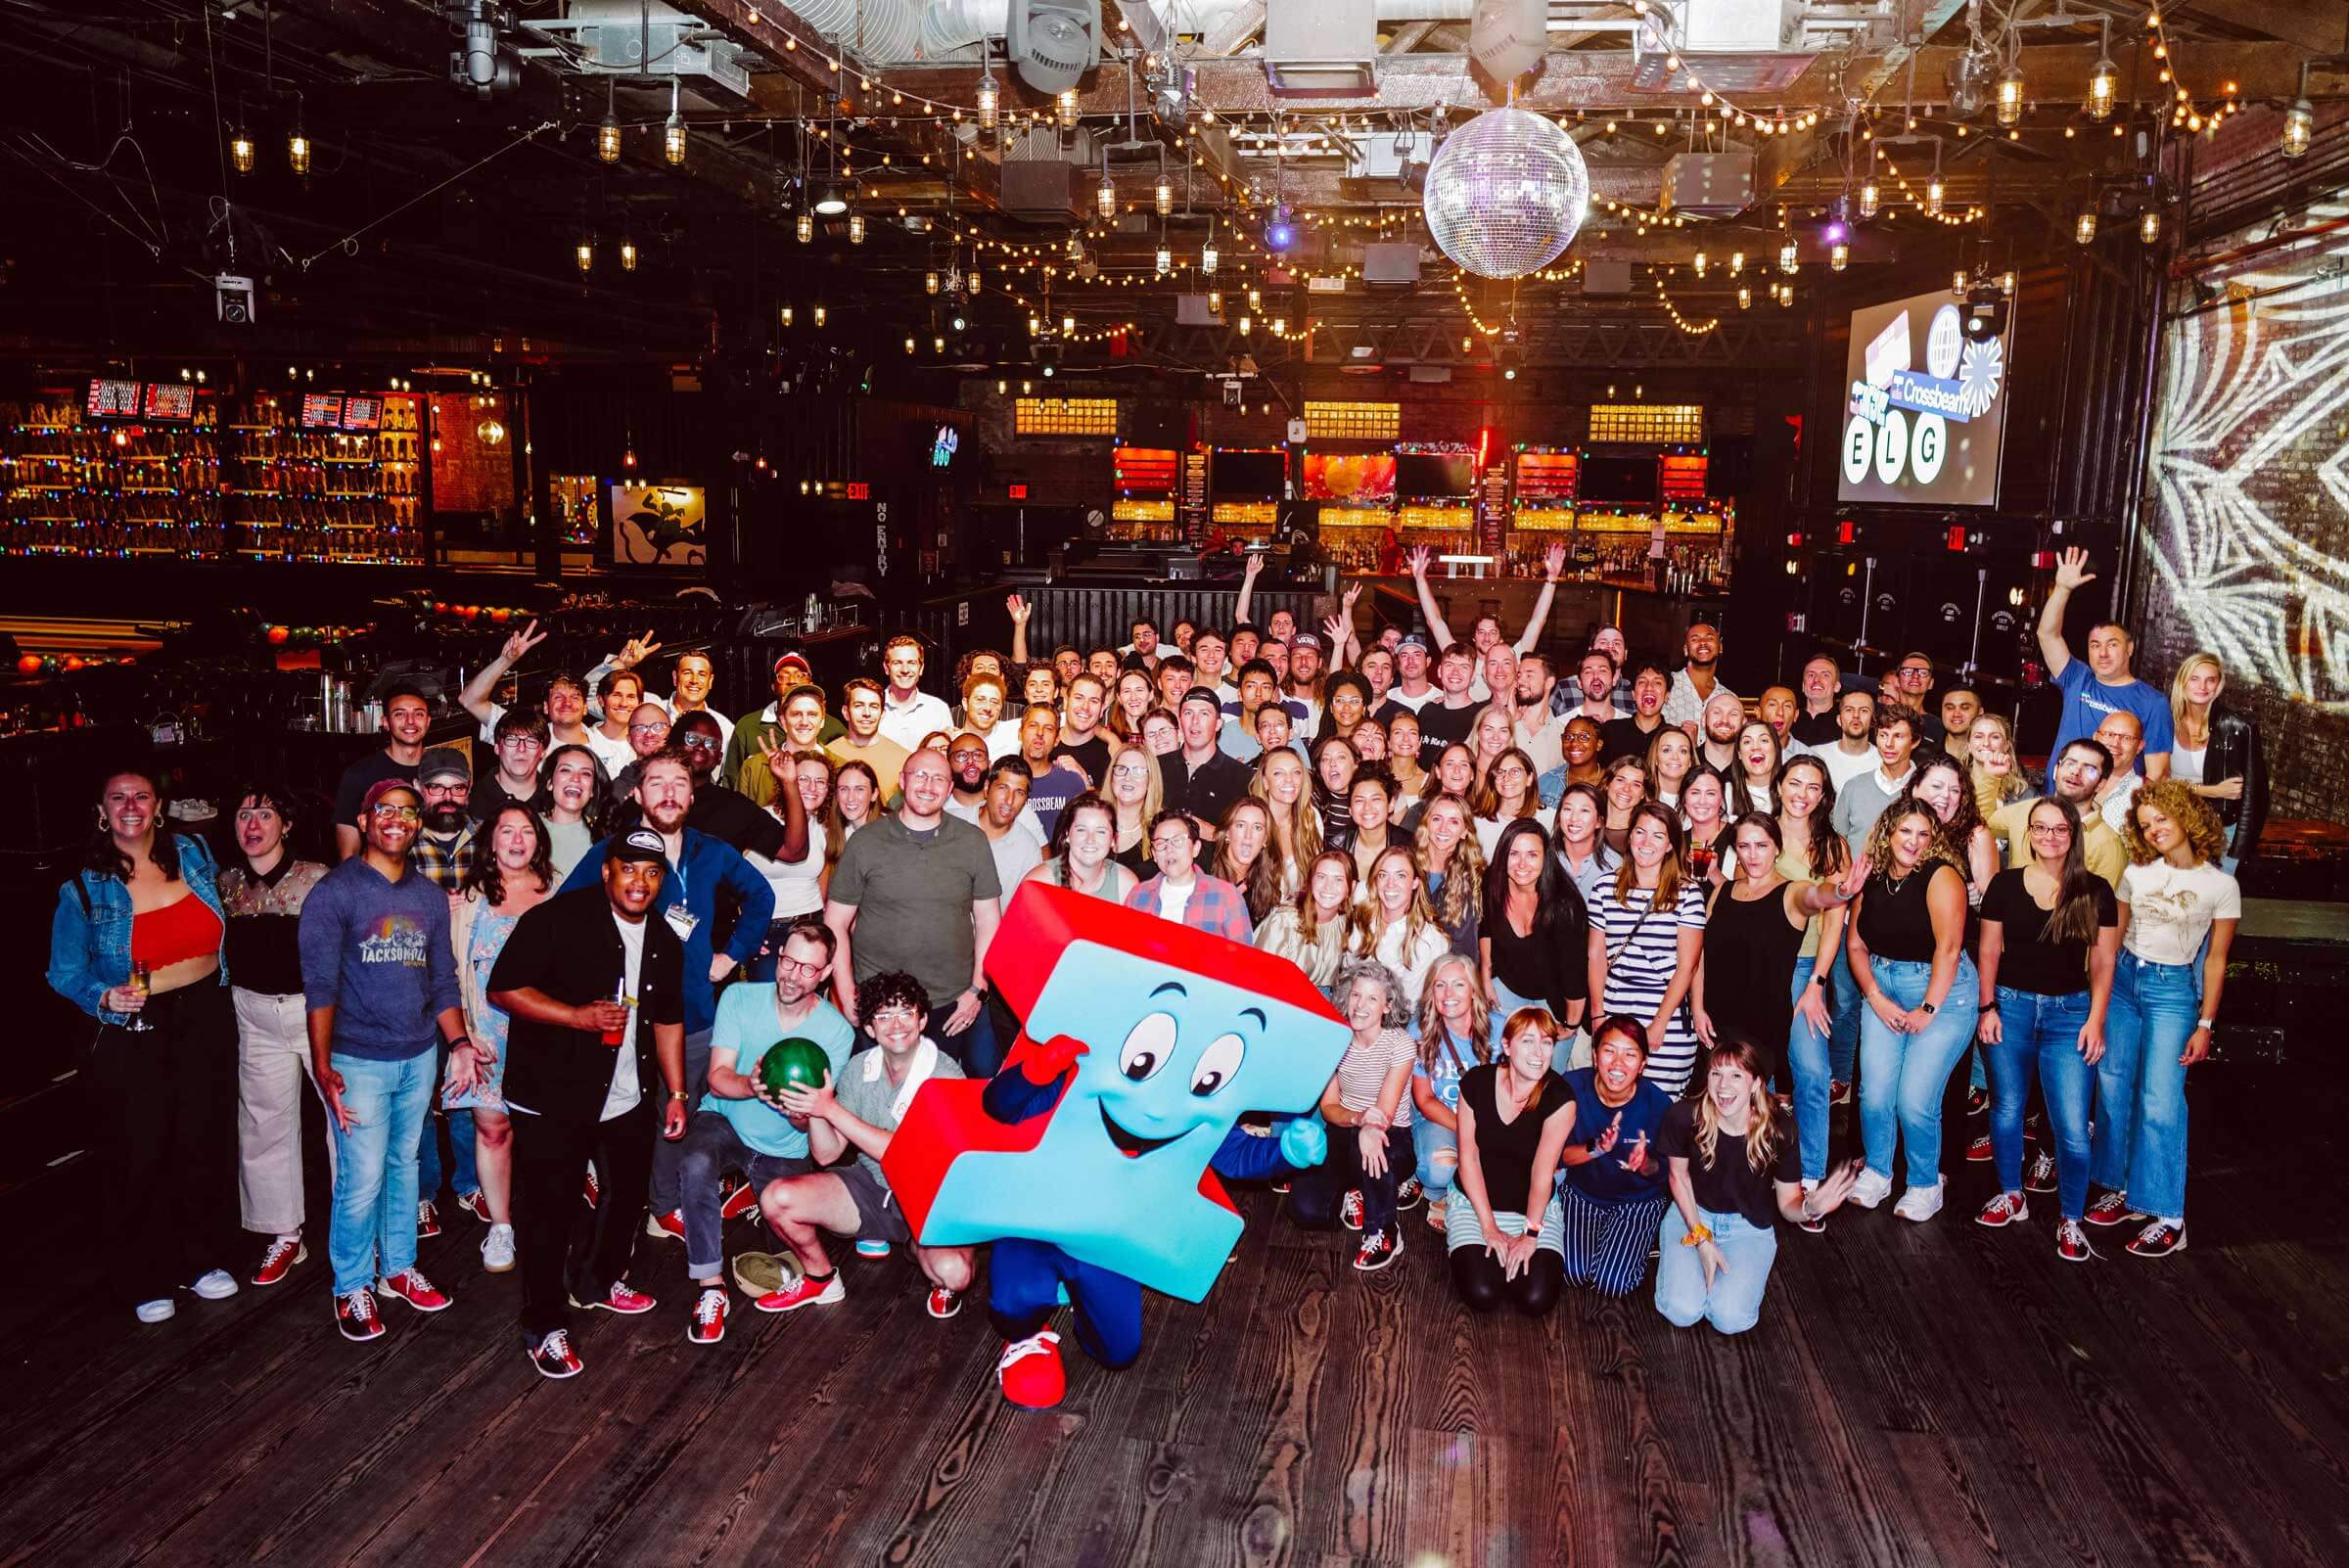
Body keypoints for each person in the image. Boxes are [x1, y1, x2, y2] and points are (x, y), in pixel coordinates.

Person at [485, 830, 689, 1377]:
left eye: (652, 873)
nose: (640, 882)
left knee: (626, 1198)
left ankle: (595, 1283)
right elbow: (503, 989)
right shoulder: (557, 919)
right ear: (607, 871)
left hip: (627, 1096)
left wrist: (675, 1092)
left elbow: (669, 1018)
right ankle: (543, 1323)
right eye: (629, 869)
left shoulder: (664, 939)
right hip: (553, 1094)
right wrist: (576, 1017)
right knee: (549, 1211)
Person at [49, 766, 238, 1323]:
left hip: (206, 1011)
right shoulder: (83, 886)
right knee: (140, 1147)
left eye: (141, 797)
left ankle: (201, 1259)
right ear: (101, 812)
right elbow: (63, 972)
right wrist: (104, 997)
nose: (130, 806)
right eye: (118, 798)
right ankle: (145, 1274)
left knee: (202, 1137)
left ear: (158, 806)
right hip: (135, 1024)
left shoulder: (195, 854)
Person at [558, 749, 773, 1230]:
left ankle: (662, 1206)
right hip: (625, 1017)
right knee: (615, 1112)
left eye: (680, 783)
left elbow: (762, 895)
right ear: (637, 794)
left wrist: (731, 955)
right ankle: (607, 1197)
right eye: (657, 782)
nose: (669, 793)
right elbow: (564, 915)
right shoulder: (612, 853)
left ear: (693, 796)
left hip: (692, 1011)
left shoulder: (712, 851)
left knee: (678, 1112)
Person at [299, 776, 465, 1341]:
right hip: (358, 1061)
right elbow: (319, 988)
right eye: (385, 810)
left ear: (418, 825)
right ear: (366, 821)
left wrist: (459, 1044)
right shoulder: (335, 893)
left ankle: (397, 1268)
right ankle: (351, 1285)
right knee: (362, 1177)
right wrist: (323, 1065)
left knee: (404, 1166)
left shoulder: (428, 897)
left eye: (408, 811)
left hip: (418, 1055)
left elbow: (443, 980)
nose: (397, 819)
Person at [756, 967, 978, 1321]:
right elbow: (826, 1153)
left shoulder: (946, 1077)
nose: (897, 1024)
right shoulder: (860, 1068)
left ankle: (919, 1245)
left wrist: (829, 1108)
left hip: (930, 1198)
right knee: (777, 1198)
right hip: (873, 1186)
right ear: (871, 1029)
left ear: (922, 1020)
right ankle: (821, 1279)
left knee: (955, 1274)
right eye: (884, 1016)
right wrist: (813, 1109)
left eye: (906, 1012)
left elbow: (906, 1153)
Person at [672, 919, 858, 1340]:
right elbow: (717, 1078)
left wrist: (795, 1111)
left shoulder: (837, 1032)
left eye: (808, 968)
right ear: (779, 956)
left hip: (785, 1143)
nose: (792, 975)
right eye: (788, 961)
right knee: (696, 1161)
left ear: (826, 973)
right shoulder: (738, 997)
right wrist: (752, 1087)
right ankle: (710, 1287)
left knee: (789, 1256)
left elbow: (812, 1119)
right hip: (726, 1120)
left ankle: (754, 1197)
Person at [2085, 783, 2240, 1259]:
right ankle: (2124, 1189)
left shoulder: (2221, 885)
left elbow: (2216, 960)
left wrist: (2205, 1024)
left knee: (2160, 1099)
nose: (2154, 830)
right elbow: (2111, 940)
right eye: (2145, 824)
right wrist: (2098, 1002)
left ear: (2187, 816)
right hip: (2125, 982)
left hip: (2172, 991)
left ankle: (2169, 1214)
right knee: (2113, 1085)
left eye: (2162, 819)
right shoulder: (2136, 872)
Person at [1973, 797, 2118, 1259]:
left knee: (2072, 1125)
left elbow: (2103, 961)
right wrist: (1987, 1007)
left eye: (2059, 829)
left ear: (2073, 835)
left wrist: (2096, 1020)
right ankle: (2011, 1194)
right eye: (2040, 828)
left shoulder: (2095, 891)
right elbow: (1988, 951)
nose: (2049, 837)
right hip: (2010, 1007)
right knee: (2007, 1109)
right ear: (2029, 833)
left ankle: (2071, 1218)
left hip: (2070, 1014)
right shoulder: (2004, 885)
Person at [1655, 1038, 1862, 1335]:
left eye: (1736, 1075)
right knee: (1682, 1311)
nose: (1723, 1085)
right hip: (1692, 1215)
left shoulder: (1780, 1128)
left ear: (1755, 1084)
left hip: (1748, 1227)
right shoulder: (1684, 1115)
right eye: (1716, 1073)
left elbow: (1788, 1205)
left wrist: (1810, 1208)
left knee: (1730, 1319)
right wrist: (1701, 1239)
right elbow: (1678, 1177)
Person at [216, 784, 333, 1287]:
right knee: (264, 1126)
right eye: (244, 815)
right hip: (253, 1012)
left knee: (345, 1119)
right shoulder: (224, 883)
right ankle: (284, 1234)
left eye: (265, 815)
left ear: (286, 824)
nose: (253, 825)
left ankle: (361, 1227)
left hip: (315, 1011)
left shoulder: (317, 879)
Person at [824, 748, 1004, 1073]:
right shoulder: (865, 842)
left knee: (940, 1094)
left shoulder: (972, 842)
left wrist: (978, 990)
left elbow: (989, 920)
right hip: (880, 1005)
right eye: (920, 775)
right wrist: (846, 992)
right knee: (878, 1093)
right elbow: (835, 922)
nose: (928, 786)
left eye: (938, 779)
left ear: (950, 788)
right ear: (902, 781)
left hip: (950, 1003)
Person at [1843, 801, 1980, 1221]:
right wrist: (1875, 997)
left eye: (1923, 834)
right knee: (1874, 1094)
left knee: (1915, 1100)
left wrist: (1928, 1008)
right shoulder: (1873, 877)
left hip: (1942, 992)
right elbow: (1856, 945)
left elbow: (1949, 950)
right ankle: (1878, 1172)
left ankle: (1924, 1183)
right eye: (1905, 831)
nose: (1913, 842)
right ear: (1888, 833)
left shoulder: (1942, 876)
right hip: (1882, 985)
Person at [442, 802, 554, 1275]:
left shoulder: (559, 893)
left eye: (526, 831)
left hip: (545, 1034)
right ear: (490, 842)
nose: (516, 840)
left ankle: (547, 1224)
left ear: (538, 841)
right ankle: (502, 1226)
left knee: (545, 1135)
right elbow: (449, 973)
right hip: (486, 1032)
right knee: (492, 1129)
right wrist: (463, 1036)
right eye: (507, 831)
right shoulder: (467, 901)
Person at [1693, 814, 1855, 1103]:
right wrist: (1697, 1007)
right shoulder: (1721, 892)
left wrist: (1840, 891)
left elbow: (1816, 896)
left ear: (1777, 849)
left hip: (1763, 1028)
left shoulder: (1792, 892)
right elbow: (1699, 954)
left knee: (1760, 1110)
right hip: (1717, 1023)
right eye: (1744, 846)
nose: (1752, 855)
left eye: (1762, 846)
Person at [1290, 957, 1420, 1271]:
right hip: (1345, 1127)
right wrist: (1358, 1119)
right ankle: (1359, 1189)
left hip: (1391, 1135)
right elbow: (1329, 1108)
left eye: (1372, 998)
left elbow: (1384, 1113)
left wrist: (1369, 1127)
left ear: (1387, 1006)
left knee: (1374, 1151)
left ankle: (1384, 1230)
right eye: (1356, 995)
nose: (1360, 1005)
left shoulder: (1401, 1045)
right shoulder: (1334, 1041)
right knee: (1307, 1211)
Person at [1445, 1008, 1574, 1316]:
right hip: (1476, 1204)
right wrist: (1488, 1226)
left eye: (1546, 1043)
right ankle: (1470, 1241)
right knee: (1482, 1293)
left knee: (1536, 1298)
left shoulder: (1560, 1098)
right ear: (1506, 1045)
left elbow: (1542, 1173)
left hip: (1533, 1210)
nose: (1538, 1053)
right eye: (1527, 1041)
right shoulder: (1475, 1083)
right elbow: (1468, 1158)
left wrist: (1530, 1234)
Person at [1773, 756, 1858, 1188]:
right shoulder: (1758, 832)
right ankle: (1755, 1167)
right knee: (1754, 1070)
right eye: (1795, 783)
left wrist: (1817, 982)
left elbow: (1834, 923)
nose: (1802, 794)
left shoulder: (1832, 846)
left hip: (1805, 967)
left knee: (1812, 1071)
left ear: (1824, 796)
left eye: (1812, 786)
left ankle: (1809, 1175)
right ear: (1779, 785)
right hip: (1756, 964)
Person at [1586, 802, 1708, 1097]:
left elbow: (1688, 965)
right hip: (1616, 1009)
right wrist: (1598, 1014)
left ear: (1670, 845)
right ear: (1629, 836)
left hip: (1665, 1013)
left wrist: (1659, 1024)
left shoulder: (1687, 893)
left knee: (1660, 1104)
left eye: (1658, 835)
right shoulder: (1604, 888)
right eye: (1640, 832)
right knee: (1613, 1098)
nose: (1646, 842)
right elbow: (1596, 955)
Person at [1552, 1016, 1675, 1297]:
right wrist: (1596, 1148)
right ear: (1596, 1057)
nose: (1618, 1064)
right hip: (1582, 1193)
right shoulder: (1570, 1088)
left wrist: (1644, 1163)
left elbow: (1666, 1174)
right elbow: (1555, 1157)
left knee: (1612, 1282)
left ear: (1643, 1064)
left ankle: (1640, 1239)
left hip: (1638, 1202)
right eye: (1609, 1051)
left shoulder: (1658, 1105)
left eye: (1630, 1054)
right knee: (1570, 1271)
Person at [2037, 547, 2173, 777]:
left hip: (2112, 799)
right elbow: (2047, 635)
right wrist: (2062, 590)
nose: (2103, 653)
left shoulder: (2153, 703)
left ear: (2129, 649)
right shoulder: (2077, 678)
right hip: (2059, 795)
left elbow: (2157, 776)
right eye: (2095, 645)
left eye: (2112, 644)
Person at [1405, 541, 1568, 702]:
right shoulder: (1464, 661)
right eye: (1481, 632)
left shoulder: (1512, 656)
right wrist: (1420, 579)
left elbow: (1537, 621)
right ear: (1474, 637)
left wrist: (1552, 578)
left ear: (1501, 639)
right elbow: (1435, 622)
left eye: (1493, 632)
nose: (1487, 638)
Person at [1481, 819, 1591, 1045]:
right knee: (1501, 1060)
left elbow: (1575, 972)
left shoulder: (1565, 905)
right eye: (1514, 854)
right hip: (1507, 988)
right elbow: (1486, 926)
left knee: (1546, 1065)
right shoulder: (1493, 882)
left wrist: (1571, 1024)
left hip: (1555, 1000)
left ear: (1545, 858)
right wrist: (1485, 973)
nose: (1522, 864)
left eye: (1532, 855)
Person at [1408, 953, 1495, 1228]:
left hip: (1489, 1120)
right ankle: (1442, 1194)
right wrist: (1469, 1131)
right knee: (1439, 1168)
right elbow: (1424, 1099)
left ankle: (1469, 1193)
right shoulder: (1420, 1030)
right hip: (1440, 1117)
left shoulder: (1500, 1027)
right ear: (1431, 992)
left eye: (1459, 984)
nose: (1448, 994)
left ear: (1473, 990)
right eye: (1440, 985)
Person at [2167, 651, 2265, 871]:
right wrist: (2212, 791)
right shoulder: (2166, 719)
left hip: (2220, 829)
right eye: (2194, 678)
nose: (2202, 686)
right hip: (2172, 821)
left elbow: (2255, 797)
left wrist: (2238, 850)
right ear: (2182, 682)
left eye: (2210, 680)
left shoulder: (2238, 727)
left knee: (2214, 890)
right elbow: (2155, 782)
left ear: (2219, 685)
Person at [1989, 739, 2130, 888]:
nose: (2075, 772)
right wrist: (1991, 778)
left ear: (2100, 784)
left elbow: (2099, 901)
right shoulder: (2025, 810)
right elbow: (1981, 825)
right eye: (2070, 764)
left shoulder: (2108, 845)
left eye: (2089, 769)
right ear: (2056, 770)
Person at [746, 750, 831, 977]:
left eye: (820, 781)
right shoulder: (759, 820)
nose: (812, 787)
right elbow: (728, 880)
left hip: (812, 926)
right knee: (766, 994)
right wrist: (746, 931)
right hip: (769, 929)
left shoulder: (823, 826)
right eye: (803, 779)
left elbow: (822, 871)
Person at [333, 684, 434, 860]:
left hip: (436, 871)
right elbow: (348, 854)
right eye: (400, 714)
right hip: (381, 873)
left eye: (418, 714)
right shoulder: (359, 774)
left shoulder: (441, 770)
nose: (410, 721)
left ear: (428, 722)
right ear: (385, 723)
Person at [1124, 810, 1254, 939]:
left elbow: (1242, 951)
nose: (1169, 849)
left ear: (1196, 848)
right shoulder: (1138, 896)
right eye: (1161, 844)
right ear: (1154, 855)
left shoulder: (1226, 896)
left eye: (1178, 841)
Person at [1351, 845, 1451, 1009]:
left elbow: (1406, 1006)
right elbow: (1347, 977)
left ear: (1415, 882)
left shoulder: (1427, 940)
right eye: (1383, 875)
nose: (1390, 884)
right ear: (1375, 881)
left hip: (1394, 1018)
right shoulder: (1361, 919)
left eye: (1401, 876)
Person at [1254, 850, 1357, 989]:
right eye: (1321, 877)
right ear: (1310, 881)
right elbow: (1259, 975)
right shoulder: (1284, 921)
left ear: (1351, 887)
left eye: (1338, 879)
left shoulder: (1344, 921)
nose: (1328, 886)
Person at [1829, 706, 1921, 858]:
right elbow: (1836, 845)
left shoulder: (1924, 789)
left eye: (1898, 736)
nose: (1889, 744)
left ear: (1915, 741)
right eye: (1883, 735)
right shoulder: (1854, 786)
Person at [1909, 755, 2001, 903]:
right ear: (1915, 789)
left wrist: (1972, 898)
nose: (1945, 795)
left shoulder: (1975, 835)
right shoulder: (1895, 827)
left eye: (1955, 790)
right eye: (1936, 786)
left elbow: (1993, 901)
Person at [1023, 792, 1140, 904]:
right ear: (1067, 835)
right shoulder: (1038, 883)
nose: (1090, 840)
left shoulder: (1126, 885)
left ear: (1113, 839)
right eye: (1081, 830)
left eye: (1101, 832)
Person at [1416, 792, 1485, 956]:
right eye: (1437, 819)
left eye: (1454, 822)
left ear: (1465, 831)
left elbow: (1466, 947)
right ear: (1426, 824)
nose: (1443, 828)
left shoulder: (1472, 878)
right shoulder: (1407, 867)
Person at [1253, 746, 1322, 899]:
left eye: (1296, 772)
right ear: (1265, 782)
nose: (1289, 780)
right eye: (1278, 773)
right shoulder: (1252, 824)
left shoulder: (1311, 818)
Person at [828, 677, 913, 801]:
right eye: (859, 706)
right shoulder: (828, 755)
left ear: (882, 714)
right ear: (846, 712)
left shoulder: (904, 759)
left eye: (873, 706)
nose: (866, 713)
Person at [408, 747, 478, 894]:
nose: (448, 797)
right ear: (418, 788)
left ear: (469, 787)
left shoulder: (488, 838)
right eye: (436, 787)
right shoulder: (404, 843)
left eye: (458, 788)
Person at [1212, 796, 1285, 926]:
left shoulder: (1263, 892)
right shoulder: (1201, 862)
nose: (1248, 836)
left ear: (1265, 839)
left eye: (1257, 828)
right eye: (1240, 825)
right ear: (1227, 832)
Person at [473, 707, 551, 821]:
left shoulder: (555, 800)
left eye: (531, 741)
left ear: (543, 752)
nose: (521, 748)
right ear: (497, 748)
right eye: (512, 740)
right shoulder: (472, 800)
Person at [876, 634, 953, 751]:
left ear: (921, 668)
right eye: (897, 663)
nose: (905, 670)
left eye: (911, 663)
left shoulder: (938, 709)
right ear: (886, 668)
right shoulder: (872, 707)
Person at [540, 744, 605, 881]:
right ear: (549, 783)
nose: (575, 779)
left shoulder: (602, 841)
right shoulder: (526, 827)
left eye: (585, 773)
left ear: (592, 790)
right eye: (566, 770)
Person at [1552, 782, 1621, 906]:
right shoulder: (1543, 855)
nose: (1574, 818)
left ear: (1599, 821)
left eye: (1584, 810)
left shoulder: (1615, 866)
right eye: (1568, 809)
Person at [602, 703, 675, 818]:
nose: (649, 734)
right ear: (629, 739)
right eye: (640, 728)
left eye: (658, 727)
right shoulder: (616, 791)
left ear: (671, 733)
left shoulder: (687, 779)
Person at [1663, 623, 1737, 732]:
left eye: (1709, 638)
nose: (1702, 642)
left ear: (1720, 647)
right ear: (1686, 649)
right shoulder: (1665, 684)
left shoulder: (1728, 697)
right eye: (1695, 639)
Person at [1103, 742, 1164, 876]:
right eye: (1121, 769)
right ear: (1111, 777)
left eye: (1138, 771)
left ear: (1150, 781)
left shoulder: (1162, 830)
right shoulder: (1091, 821)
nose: (1127, 778)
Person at [1469, 746, 1540, 860]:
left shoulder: (1548, 818)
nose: (1506, 778)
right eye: (1500, 772)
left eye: (1515, 772)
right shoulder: (1477, 822)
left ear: (1529, 778)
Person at [2089, 712, 2148, 836]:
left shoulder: (2145, 794)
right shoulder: (2073, 780)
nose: (2115, 744)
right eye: (2109, 734)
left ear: (2140, 746)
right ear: (2095, 737)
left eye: (2126, 738)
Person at [1600, 662, 1670, 764]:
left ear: (1667, 696)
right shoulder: (1611, 731)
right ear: (1633, 694)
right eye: (1642, 682)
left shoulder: (1673, 736)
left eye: (1657, 683)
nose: (1649, 687)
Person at [1417, 643, 1482, 751]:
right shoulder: (1426, 712)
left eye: (1464, 667)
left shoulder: (1480, 717)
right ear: (1439, 671)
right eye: (1449, 665)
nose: (1455, 672)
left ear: (1473, 675)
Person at [1053, 672, 1115, 784]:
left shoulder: (1110, 754)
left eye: (1093, 701)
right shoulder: (1045, 743)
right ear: (1066, 702)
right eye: (1079, 698)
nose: (1085, 707)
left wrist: (1084, 780)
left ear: (1102, 709)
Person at [585, 669, 646, 779]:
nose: (623, 703)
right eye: (616, 695)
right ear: (601, 700)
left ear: (640, 703)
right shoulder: (586, 741)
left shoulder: (647, 743)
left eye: (631, 697)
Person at [1678, 770, 1731, 888]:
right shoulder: (1676, 842)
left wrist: (1714, 873)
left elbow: (1747, 894)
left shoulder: (1736, 837)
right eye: (1695, 793)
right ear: (1684, 799)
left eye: (1710, 793)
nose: (1702, 801)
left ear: (1721, 800)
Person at [1597, 755, 1649, 858]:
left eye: (1636, 785)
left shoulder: (1645, 835)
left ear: (1643, 794)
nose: (1626, 789)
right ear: (1607, 783)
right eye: (1620, 780)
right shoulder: (1586, 823)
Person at [1728, 721, 1781, 817]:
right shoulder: (1727, 792)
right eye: (1747, 742)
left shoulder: (1790, 790)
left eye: (1764, 740)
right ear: (1739, 754)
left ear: (1776, 749)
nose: (1756, 747)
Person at [1790, 654, 1844, 747]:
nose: (1817, 680)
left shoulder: (1846, 724)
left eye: (1825, 675)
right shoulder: (1787, 720)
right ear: (1803, 686)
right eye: (1811, 675)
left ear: (1836, 686)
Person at [1644, 727, 1697, 810]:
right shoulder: (1640, 797)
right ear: (1656, 758)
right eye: (1666, 750)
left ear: (1690, 760)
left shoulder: (1700, 801)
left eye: (1683, 751)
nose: (1675, 757)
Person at [1938, 686, 1983, 761]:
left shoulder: (1988, 756)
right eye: (1949, 708)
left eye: (1965, 708)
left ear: (1980, 712)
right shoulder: (1926, 754)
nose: (1956, 714)